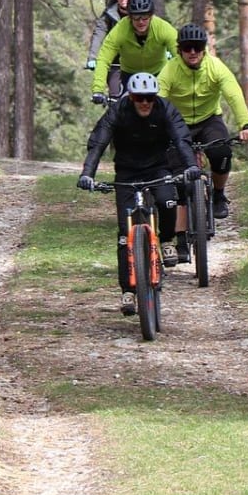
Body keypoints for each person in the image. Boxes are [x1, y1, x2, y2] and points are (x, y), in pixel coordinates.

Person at [77, 72, 199, 315]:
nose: (145, 102)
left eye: (149, 98)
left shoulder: (165, 109)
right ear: (131, 97)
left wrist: (191, 166)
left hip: (158, 167)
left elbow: (181, 139)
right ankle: (128, 292)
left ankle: (165, 240)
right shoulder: (119, 111)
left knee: (167, 201)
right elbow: (99, 141)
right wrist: (87, 173)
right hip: (127, 173)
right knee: (125, 234)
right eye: (139, 98)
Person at [158, 24, 248, 236]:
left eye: (197, 47)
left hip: (209, 120)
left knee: (221, 154)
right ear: (179, 49)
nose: (192, 52)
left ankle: (219, 194)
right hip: (178, 122)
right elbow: (159, 101)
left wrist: (245, 124)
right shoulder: (170, 70)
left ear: (204, 48)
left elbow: (233, 94)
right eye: (187, 47)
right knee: (179, 175)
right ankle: (181, 236)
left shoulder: (216, 67)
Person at [90, 0, 178, 102]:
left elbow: (179, 56)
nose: (141, 22)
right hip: (129, 75)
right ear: (129, 17)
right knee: (121, 109)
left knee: (165, 109)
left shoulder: (162, 28)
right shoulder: (121, 29)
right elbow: (104, 59)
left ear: (151, 16)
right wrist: (98, 89)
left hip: (159, 74)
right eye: (136, 17)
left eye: (145, 17)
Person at [84, 0, 139, 97]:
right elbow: (99, 34)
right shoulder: (109, 15)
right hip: (116, 63)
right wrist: (92, 58)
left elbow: (156, 30)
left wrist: (164, 51)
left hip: (139, 60)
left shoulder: (142, 12)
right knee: (115, 98)